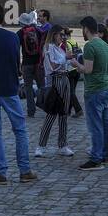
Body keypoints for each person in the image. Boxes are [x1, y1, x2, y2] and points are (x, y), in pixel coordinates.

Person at [0, 4, 37, 185]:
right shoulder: (12, 37)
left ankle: (1, 173)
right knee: (20, 130)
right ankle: (25, 171)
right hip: (10, 90)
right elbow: (15, 62)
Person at [34, 26, 79, 158]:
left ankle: (62, 145)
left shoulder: (61, 48)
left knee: (64, 114)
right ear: (54, 35)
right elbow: (53, 65)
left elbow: (69, 63)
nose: (63, 37)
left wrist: (75, 59)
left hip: (65, 79)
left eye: (64, 35)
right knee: (51, 114)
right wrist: (66, 57)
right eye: (60, 34)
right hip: (54, 81)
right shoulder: (48, 47)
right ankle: (41, 146)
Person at [79, 15, 108, 169]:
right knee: (106, 124)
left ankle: (96, 158)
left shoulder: (90, 46)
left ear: (86, 29)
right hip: (107, 88)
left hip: (94, 90)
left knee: (96, 126)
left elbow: (88, 69)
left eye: (82, 29)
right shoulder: (104, 44)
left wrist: (75, 63)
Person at [17, 11, 41, 117]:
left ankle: (31, 110)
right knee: (41, 86)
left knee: (28, 87)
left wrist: (18, 66)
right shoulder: (37, 30)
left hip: (26, 64)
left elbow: (16, 50)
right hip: (38, 63)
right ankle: (45, 105)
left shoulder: (20, 33)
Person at [63, 27, 83, 115]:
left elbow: (69, 55)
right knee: (72, 92)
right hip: (76, 69)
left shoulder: (67, 43)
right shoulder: (74, 42)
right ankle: (68, 110)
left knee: (70, 92)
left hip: (70, 69)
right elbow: (79, 53)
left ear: (66, 35)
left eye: (63, 35)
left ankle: (78, 109)